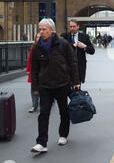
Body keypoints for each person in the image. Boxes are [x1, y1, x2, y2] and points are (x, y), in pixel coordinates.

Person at [30, 18, 81, 153]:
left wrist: (76, 82)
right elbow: (34, 69)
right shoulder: (37, 47)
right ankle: (41, 142)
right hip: (45, 85)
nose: (41, 32)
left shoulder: (63, 44)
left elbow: (73, 63)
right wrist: (35, 87)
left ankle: (63, 134)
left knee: (63, 111)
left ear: (52, 30)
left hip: (62, 83)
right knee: (43, 113)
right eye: (40, 29)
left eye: (44, 29)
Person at [61, 20, 95, 84]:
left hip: (79, 67)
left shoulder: (84, 37)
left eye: (74, 26)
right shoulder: (64, 36)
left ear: (78, 26)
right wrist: (71, 45)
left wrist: (84, 46)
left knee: (77, 88)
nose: (72, 28)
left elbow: (92, 51)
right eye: (70, 26)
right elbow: (61, 48)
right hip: (67, 67)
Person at [26, 32, 41, 113]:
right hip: (34, 71)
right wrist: (28, 69)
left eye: (39, 37)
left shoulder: (45, 47)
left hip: (43, 71)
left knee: (43, 89)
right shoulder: (33, 47)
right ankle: (34, 105)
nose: (38, 39)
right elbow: (30, 60)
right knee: (33, 88)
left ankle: (43, 104)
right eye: (37, 37)